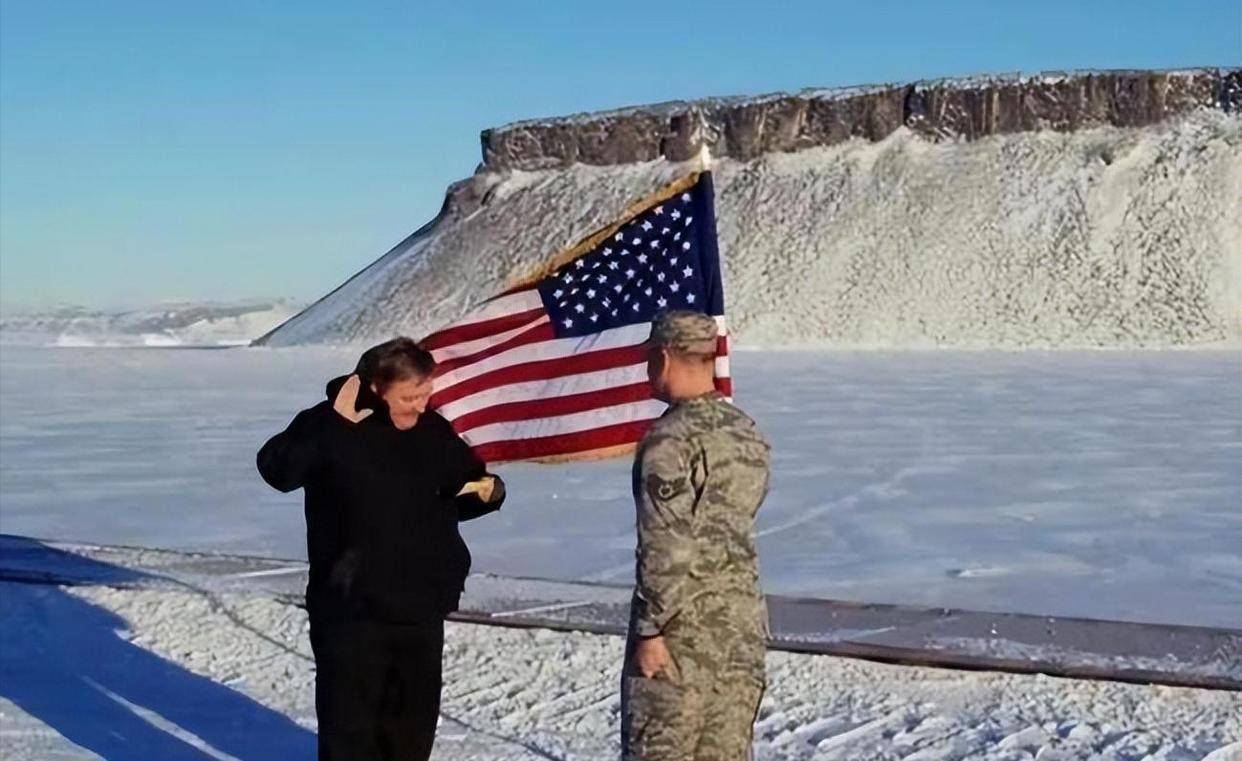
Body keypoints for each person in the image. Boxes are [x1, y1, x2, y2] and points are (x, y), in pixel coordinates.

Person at [256, 337, 505, 761]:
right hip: (352, 609)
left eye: (426, 393)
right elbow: (278, 470)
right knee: (351, 731)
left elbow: (457, 490)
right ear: (375, 387)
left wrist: (490, 492)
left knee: (410, 729)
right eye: (409, 396)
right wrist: (331, 421)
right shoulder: (329, 427)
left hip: (420, 606)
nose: (420, 405)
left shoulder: (432, 430)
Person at [621, 311, 772, 761]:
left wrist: (652, 629)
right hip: (739, 629)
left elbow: (666, 545)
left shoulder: (670, 440)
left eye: (651, 359)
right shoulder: (745, 432)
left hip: (681, 636)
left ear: (665, 358)